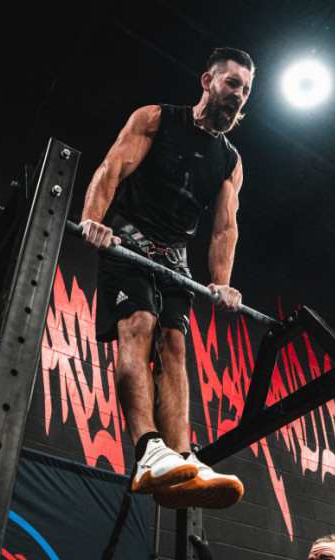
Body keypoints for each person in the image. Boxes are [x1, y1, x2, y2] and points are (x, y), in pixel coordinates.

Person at [79, 47, 254, 509]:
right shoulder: (156, 118)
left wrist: (222, 282)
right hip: (128, 240)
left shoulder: (230, 160)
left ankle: (181, 459)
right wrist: (93, 220)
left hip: (174, 259)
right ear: (208, 81)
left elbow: (225, 227)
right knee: (139, 325)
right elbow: (111, 168)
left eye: (246, 90)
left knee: (175, 346)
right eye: (232, 83)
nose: (239, 95)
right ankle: (147, 452)